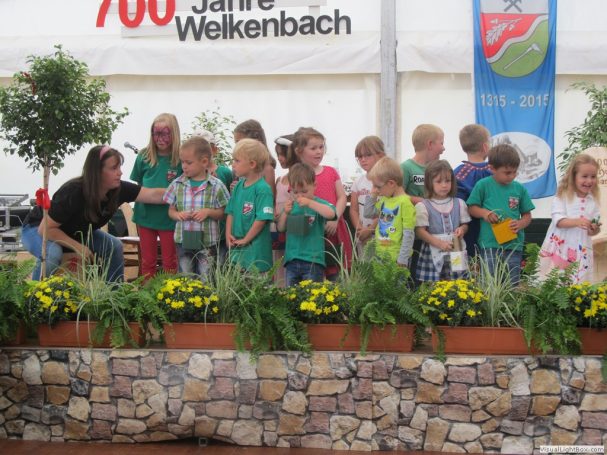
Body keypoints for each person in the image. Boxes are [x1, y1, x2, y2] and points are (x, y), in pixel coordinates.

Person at [21, 145, 166, 282]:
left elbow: (153, 195)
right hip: (38, 228)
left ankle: (114, 296)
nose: (120, 172)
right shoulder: (73, 192)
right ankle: (35, 297)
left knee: (114, 246)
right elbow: (45, 229)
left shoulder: (119, 189)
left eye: (119, 167)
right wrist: (78, 247)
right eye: (114, 168)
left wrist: (178, 192)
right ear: (97, 171)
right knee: (52, 254)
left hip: (78, 233)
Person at [467, 144, 535, 285]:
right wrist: (485, 213)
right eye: (507, 172)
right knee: (489, 283)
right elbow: (471, 208)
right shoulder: (483, 185)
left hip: (514, 245)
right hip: (489, 243)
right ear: (492, 168)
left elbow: (527, 215)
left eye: (515, 172)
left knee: (512, 283)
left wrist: (520, 224)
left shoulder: (519, 189)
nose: (512, 176)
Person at [163, 136, 230, 278]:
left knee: (206, 277)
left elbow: (224, 212)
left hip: (208, 243)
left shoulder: (216, 185)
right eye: (182, 162)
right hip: (183, 241)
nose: (184, 166)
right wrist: (178, 215)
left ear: (204, 162)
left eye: (189, 162)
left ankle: (205, 294)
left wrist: (209, 212)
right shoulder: (177, 184)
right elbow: (171, 211)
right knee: (186, 275)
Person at [292, 127, 352, 280]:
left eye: (321, 147)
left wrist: (335, 218)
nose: (319, 151)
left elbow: (342, 197)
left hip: (333, 230)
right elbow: (295, 205)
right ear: (299, 151)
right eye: (313, 148)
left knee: (337, 276)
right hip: (310, 237)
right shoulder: (295, 175)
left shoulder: (331, 172)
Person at [130, 113, 182, 278]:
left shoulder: (181, 159)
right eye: (156, 133)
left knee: (170, 262)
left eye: (165, 134)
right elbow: (138, 185)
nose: (160, 139)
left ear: (174, 133)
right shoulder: (144, 156)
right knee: (148, 262)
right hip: (145, 216)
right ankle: (147, 292)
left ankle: (169, 292)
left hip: (169, 218)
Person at [538, 154, 601, 283]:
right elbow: (559, 221)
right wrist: (578, 221)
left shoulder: (593, 201)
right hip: (562, 246)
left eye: (593, 176)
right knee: (555, 279)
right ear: (573, 177)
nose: (589, 181)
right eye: (584, 176)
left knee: (579, 280)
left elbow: (593, 229)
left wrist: (593, 229)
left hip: (582, 248)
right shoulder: (563, 196)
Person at [277, 163, 336, 286]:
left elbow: (331, 214)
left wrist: (310, 203)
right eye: (295, 192)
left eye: (304, 191)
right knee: (291, 295)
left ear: (314, 185)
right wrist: (285, 213)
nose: (300, 196)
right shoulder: (291, 206)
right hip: (292, 260)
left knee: (312, 295)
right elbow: (281, 228)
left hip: (313, 261)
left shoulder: (318, 204)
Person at [415, 160, 470, 282]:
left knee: (457, 284)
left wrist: (462, 229)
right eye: (439, 181)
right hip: (433, 250)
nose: (444, 185)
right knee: (433, 286)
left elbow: (465, 225)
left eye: (447, 181)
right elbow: (420, 231)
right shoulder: (423, 206)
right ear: (429, 183)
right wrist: (439, 243)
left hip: (456, 248)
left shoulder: (459, 203)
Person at [225, 138, 274, 272]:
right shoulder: (238, 186)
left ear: (252, 164)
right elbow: (230, 212)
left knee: (256, 284)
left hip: (256, 254)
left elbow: (261, 219)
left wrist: (246, 239)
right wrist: (228, 234)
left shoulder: (263, 189)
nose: (233, 165)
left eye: (237, 161)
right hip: (237, 250)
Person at [363, 157, 416, 267]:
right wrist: (372, 195)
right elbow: (368, 213)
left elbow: (408, 234)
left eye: (378, 187)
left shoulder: (405, 203)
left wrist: (402, 259)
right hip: (380, 255)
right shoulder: (385, 199)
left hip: (397, 259)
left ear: (391, 183)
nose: (377, 190)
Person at [195, 129, 233, 263]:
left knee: (220, 265)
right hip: (197, 232)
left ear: (214, 150)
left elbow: (230, 201)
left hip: (221, 232)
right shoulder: (189, 173)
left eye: (206, 148)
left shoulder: (225, 172)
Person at [454, 124, 492, 259]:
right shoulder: (495, 170)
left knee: (470, 263)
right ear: (485, 147)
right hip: (493, 227)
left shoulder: (458, 173)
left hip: (466, 229)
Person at [349, 135, 385, 255]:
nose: (363, 159)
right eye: (360, 157)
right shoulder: (357, 182)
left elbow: (386, 210)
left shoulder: (386, 182)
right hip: (362, 236)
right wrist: (359, 229)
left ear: (381, 155)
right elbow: (354, 210)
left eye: (368, 155)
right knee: (364, 264)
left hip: (382, 236)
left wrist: (370, 229)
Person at [400, 124, 445, 205]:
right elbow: (398, 195)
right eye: (441, 143)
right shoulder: (405, 168)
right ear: (430, 144)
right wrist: (423, 202)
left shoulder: (437, 169)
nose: (443, 148)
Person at [233, 119, 276, 196]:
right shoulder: (241, 167)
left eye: (239, 142)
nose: (237, 146)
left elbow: (270, 197)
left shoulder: (267, 170)